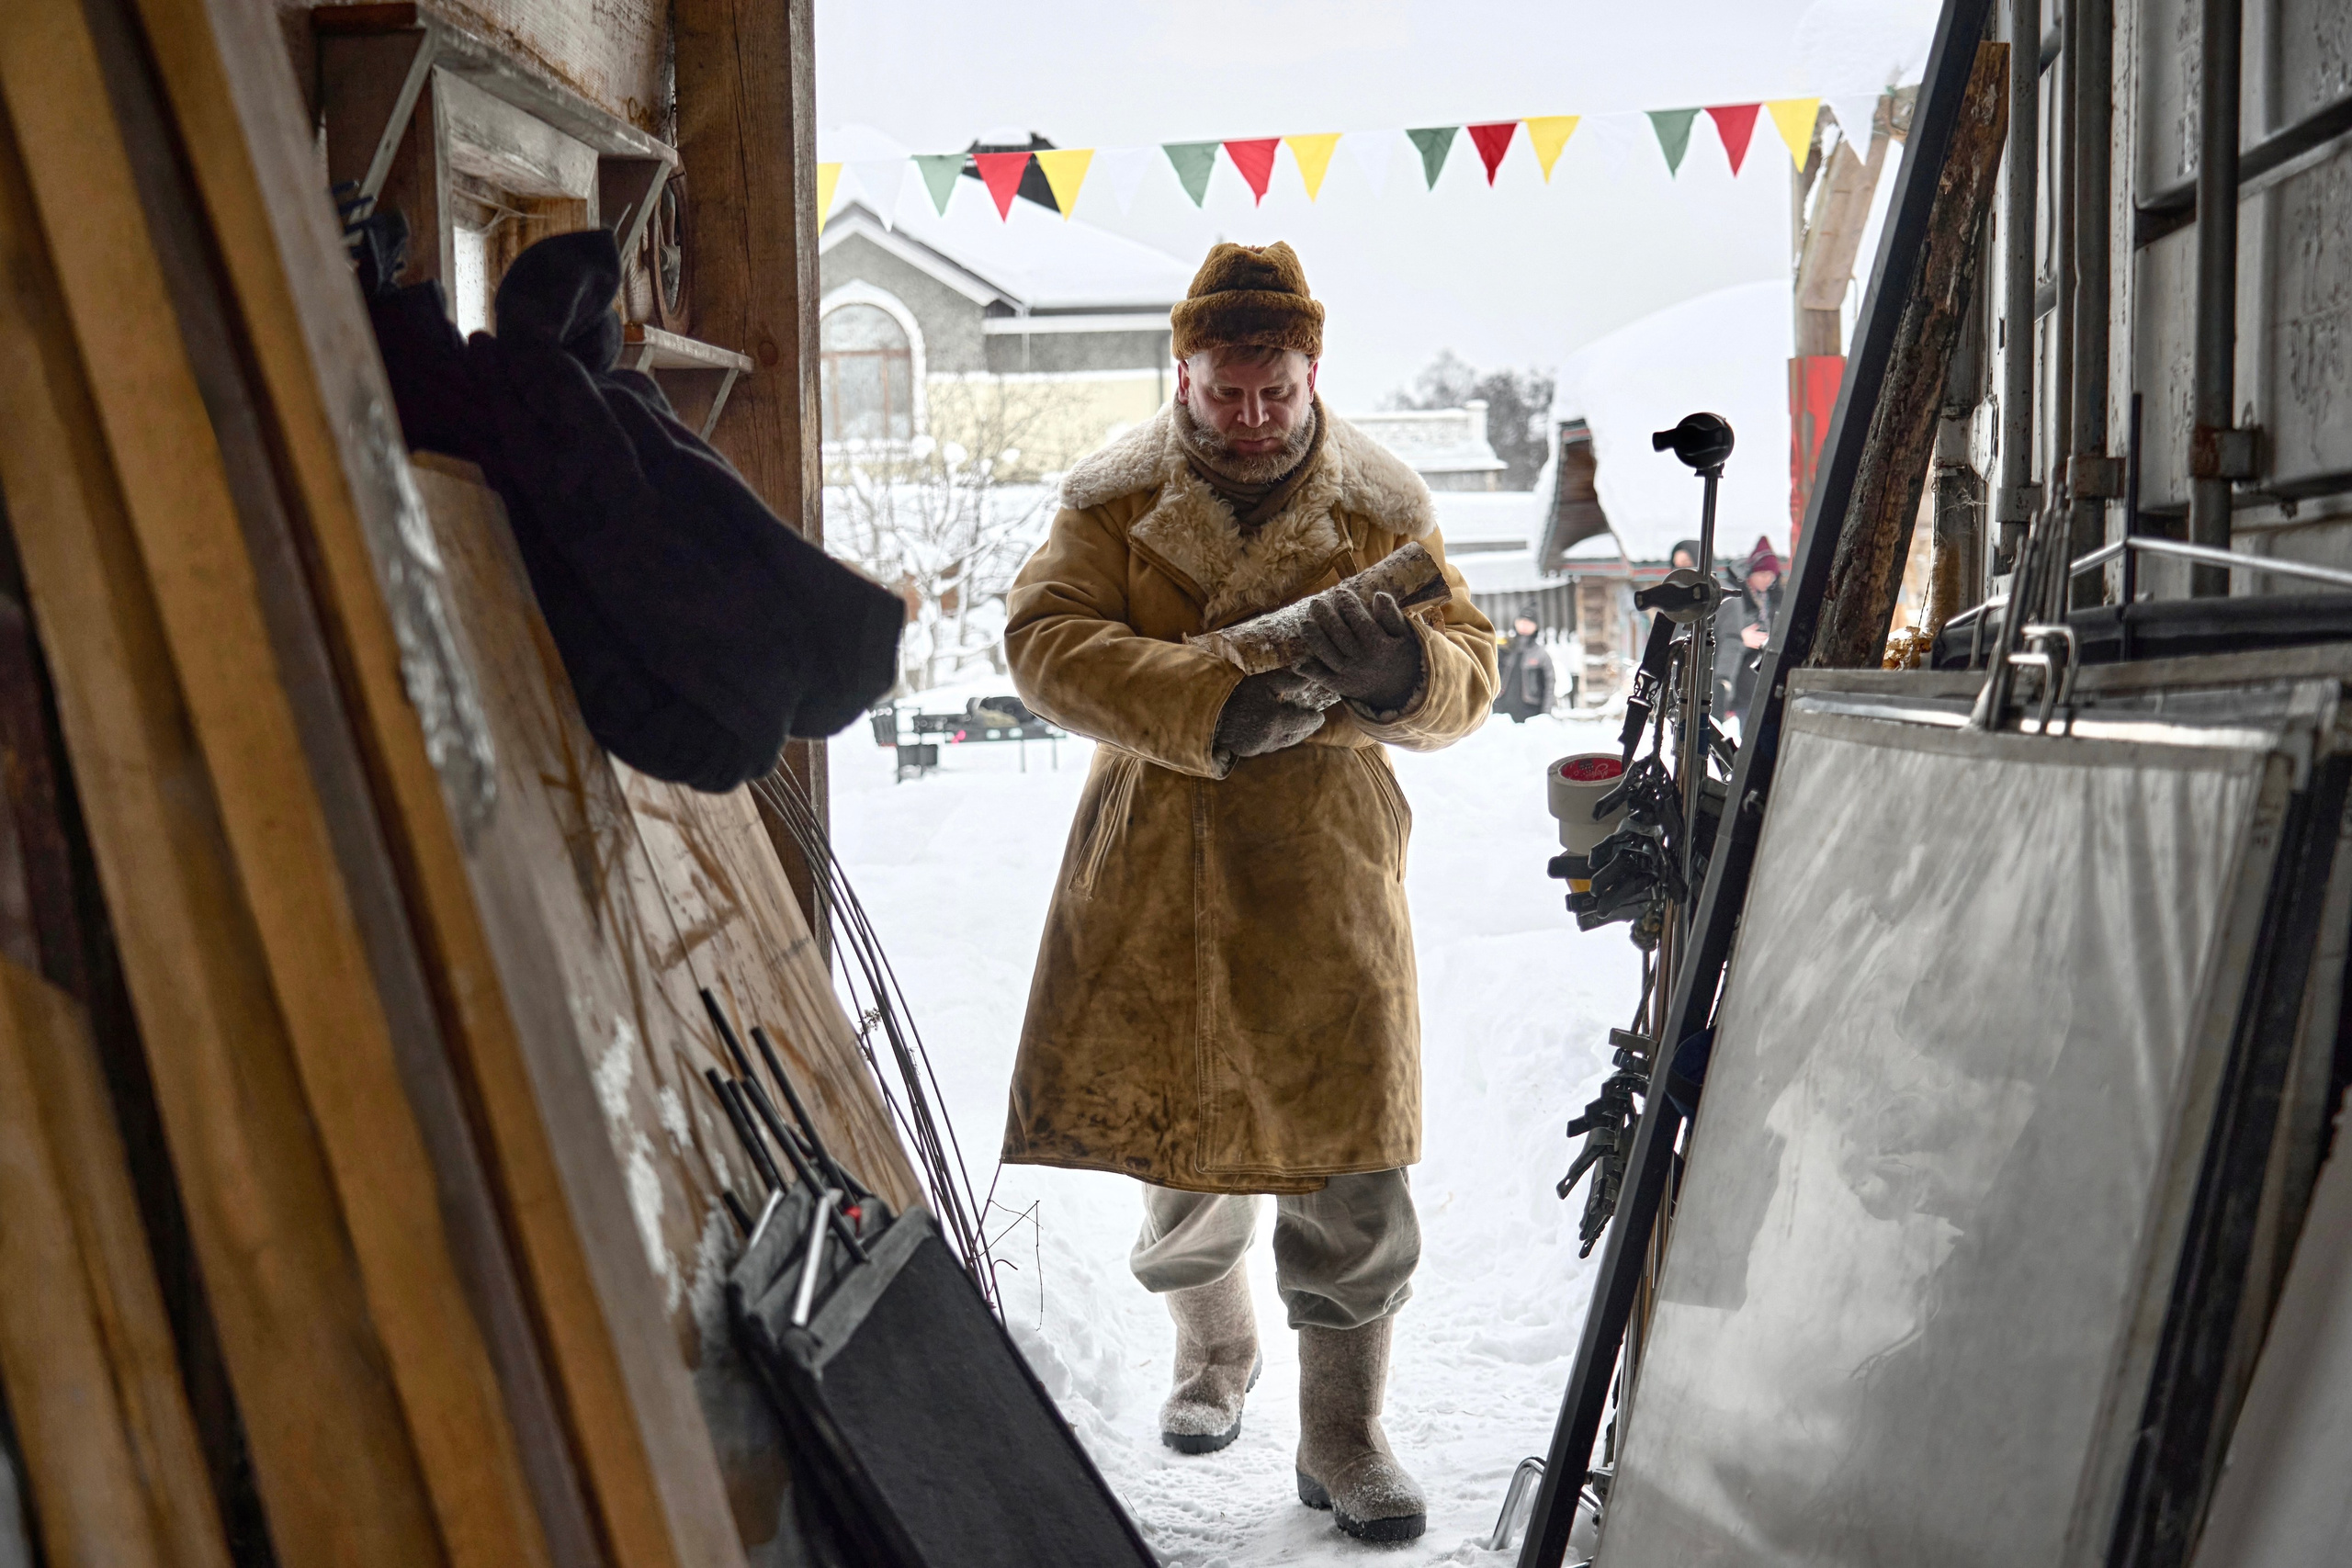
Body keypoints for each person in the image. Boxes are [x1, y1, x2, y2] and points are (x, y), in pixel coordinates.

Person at [1000, 241, 1496, 1544]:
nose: (1254, 416)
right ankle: (1211, 1355)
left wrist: (1403, 674)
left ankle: (1344, 1431)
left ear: (1312, 374)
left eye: (1275, 392)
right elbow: (1043, 642)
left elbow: (1473, 670)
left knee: (1351, 1155)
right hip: (1159, 849)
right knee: (1181, 1138)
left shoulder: (1384, 510)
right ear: (1186, 374)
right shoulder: (1112, 504)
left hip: (1326, 864)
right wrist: (1209, 699)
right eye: (1227, 393)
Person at [1713, 536, 1784, 728]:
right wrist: (1741, 638)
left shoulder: (1777, 598)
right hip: (1743, 679)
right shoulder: (1736, 597)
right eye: (1762, 574)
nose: (1767, 579)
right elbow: (1724, 635)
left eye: (1771, 575)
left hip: (1769, 677)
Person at [1492, 609, 1554, 723]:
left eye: (1529, 622)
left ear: (1536, 626)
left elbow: (1549, 686)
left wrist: (1546, 714)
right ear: (1515, 623)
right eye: (1522, 621)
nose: (1525, 625)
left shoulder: (1541, 654)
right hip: (1501, 711)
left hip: (1530, 714)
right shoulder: (1504, 648)